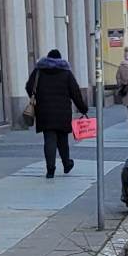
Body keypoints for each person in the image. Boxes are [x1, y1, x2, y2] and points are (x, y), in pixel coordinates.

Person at [25, 48, 87, 177]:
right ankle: (66, 164)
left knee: (49, 139)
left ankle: (50, 170)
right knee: (63, 140)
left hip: (44, 111)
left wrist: (38, 97)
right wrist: (83, 109)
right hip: (62, 112)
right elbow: (75, 92)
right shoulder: (66, 73)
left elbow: (29, 86)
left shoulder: (39, 71)